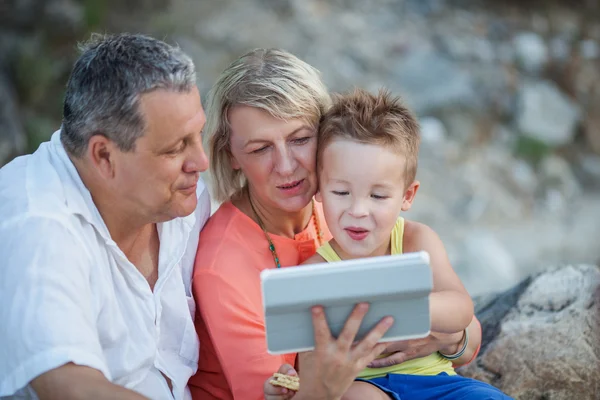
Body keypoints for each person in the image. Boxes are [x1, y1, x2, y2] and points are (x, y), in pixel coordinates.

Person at [189, 48, 483, 400]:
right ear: (231, 154)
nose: (286, 166)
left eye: (300, 139)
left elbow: (468, 337)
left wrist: (442, 337)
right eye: (260, 149)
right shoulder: (224, 267)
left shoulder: (342, 208)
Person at [0, 33, 212, 399]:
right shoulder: (37, 225)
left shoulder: (182, 199)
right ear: (103, 156)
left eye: (198, 136)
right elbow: (70, 387)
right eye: (176, 148)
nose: (200, 162)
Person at [297, 88, 512, 399]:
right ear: (318, 189)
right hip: (363, 386)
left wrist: (396, 308)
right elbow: (309, 367)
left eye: (378, 196)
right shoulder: (314, 272)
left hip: (438, 382)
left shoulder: (415, 241)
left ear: (407, 196)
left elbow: (461, 308)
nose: (358, 210)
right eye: (341, 192)